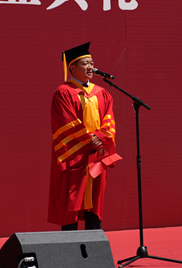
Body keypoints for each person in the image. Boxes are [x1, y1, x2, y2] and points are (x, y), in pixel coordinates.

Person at [48, 42, 121, 230]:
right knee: (72, 198)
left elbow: (109, 120)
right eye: (85, 63)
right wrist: (91, 139)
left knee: (95, 200)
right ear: (72, 67)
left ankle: (93, 243)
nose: (91, 67)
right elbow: (66, 122)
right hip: (75, 155)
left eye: (92, 63)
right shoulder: (63, 92)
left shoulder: (102, 93)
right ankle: (70, 245)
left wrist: (101, 140)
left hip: (96, 154)